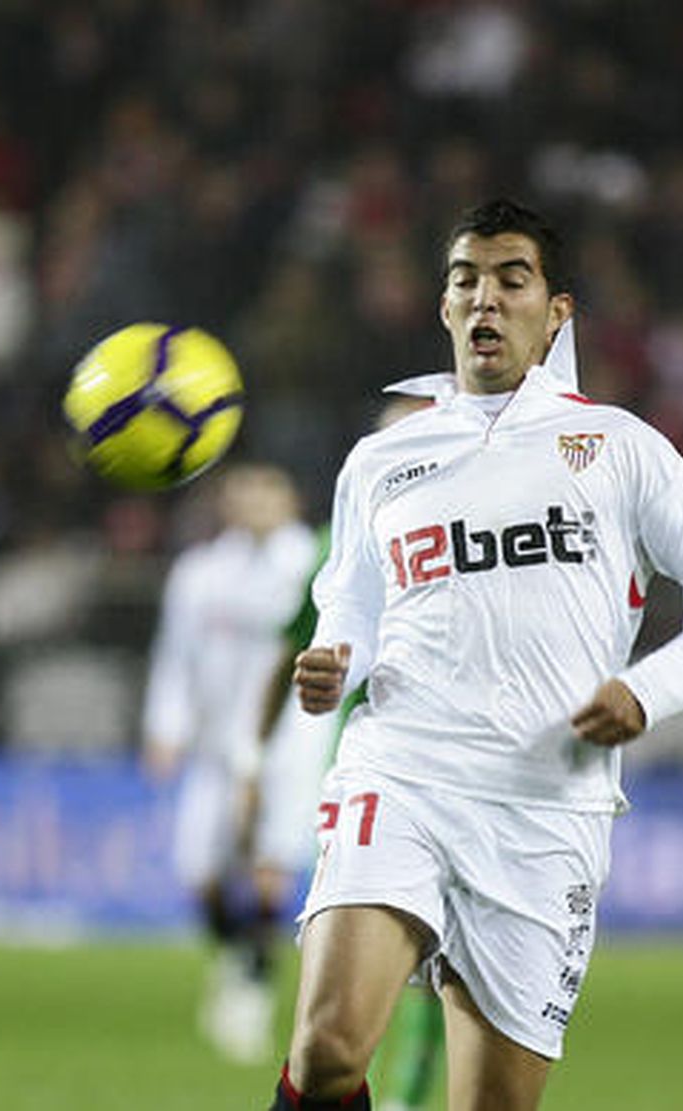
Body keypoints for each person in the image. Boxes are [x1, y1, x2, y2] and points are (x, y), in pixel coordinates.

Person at [269, 198, 683, 1110]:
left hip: (546, 810)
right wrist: (335, 653)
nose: (487, 299)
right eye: (467, 281)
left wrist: (645, 691)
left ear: (557, 311)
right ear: (445, 307)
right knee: (330, 1045)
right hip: (405, 770)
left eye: (512, 279)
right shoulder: (383, 460)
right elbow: (351, 598)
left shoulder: (617, 447)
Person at [257, 395, 443, 1111]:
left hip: (485, 781)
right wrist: (259, 744)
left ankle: (410, 1091)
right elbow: (298, 645)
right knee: (333, 1032)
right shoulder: (343, 533)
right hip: (369, 771)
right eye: (384, 432)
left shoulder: (490, 511)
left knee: (443, 979)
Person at [141, 462, 319, 1063]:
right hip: (216, 748)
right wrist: (165, 727)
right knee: (201, 873)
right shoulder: (200, 573)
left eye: (267, 488)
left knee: (271, 864)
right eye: (243, 490)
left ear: (289, 498)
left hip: (290, 741)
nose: (255, 501)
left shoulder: (312, 564)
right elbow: (175, 655)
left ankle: (253, 985)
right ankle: (237, 954)